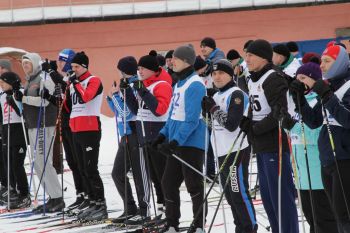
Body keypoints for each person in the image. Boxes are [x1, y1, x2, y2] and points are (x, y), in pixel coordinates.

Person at [239, 39, 299, 233]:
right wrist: (247, 121)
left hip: (275, 145)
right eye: (246, 55)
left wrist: (255, 128)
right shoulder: (253, 77)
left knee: (281, 197)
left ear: (263, 57)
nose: (246, 59)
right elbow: (256, 107)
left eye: (250, 55)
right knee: (268, 198)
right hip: (261, 146)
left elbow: (278, 114)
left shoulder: (273, 78)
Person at [290, 45, 350, 232]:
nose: (321, 66)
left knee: (344, 215)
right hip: (328, 160)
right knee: (337, 215)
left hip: (345, 159)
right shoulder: (330, 86)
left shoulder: (346, 87)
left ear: (340, 63)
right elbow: (315, 121)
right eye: (322, 61)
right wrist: (298, 98)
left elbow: (347, 119)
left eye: (327, 61)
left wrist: (326, 95)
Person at [153, 44, 207, 233]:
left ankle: (199, 224)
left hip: (191, 142)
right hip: (177, 142)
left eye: (175, 58)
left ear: (185, 61)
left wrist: (175, 141)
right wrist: (162, 135)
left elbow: (191, 120)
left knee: (193, 185)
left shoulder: (195, 84)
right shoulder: (179, 84)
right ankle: (172, 223)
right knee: (168, 182)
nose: (171, 62)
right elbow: (173, 116)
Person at [201, 59, 257, 233]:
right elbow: (214, 125)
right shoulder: (217, 95)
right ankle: (240, 226)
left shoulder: (236, 94)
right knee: (230, 196)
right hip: (222, 151)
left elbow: (232, 124)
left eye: (221, 73)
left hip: (236, 150)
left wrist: (213, 109)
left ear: (230, 74)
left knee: (238, 192)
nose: (217, 77)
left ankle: (249, 227)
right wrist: (206, 112)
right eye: (214, 74)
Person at [124, 51, 173, 224]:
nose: (140, 71)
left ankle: (169, 213)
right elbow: (137, 110)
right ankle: (161, 211)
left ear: (153, 69)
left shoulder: (162, 85)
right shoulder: (144, 85)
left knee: (163, 178)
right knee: (154, 178)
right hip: (145, 137)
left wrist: (142, 91)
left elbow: (159, 109)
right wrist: (127, 92)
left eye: (143, 68)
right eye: (138, 69)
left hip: (157, 136)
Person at [14, 52, 65, 213]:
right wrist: (18, 97)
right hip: (32, 125)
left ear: (35, 63)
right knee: (37, 162)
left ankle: (57, 197)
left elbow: (45, 101)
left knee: (44, 161)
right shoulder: (29, 81)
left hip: (44, 124)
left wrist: (24, 98)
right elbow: (25, 101)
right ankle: (51, 195)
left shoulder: (44, 78)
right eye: (23, 64)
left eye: (27, 63)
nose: (25, 66)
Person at [41, 49, 88, 212]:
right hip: (66, 124)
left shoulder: (72, 79)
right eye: (58, 60)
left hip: (77, 125)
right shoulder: (66, 78)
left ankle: (88, 194)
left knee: (80, 161)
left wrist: (52, 72)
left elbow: (63, 86)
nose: (59, 63)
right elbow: (62, 103)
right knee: (73, 162)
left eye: (62, 60)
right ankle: (80, 193)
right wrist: (49, 97)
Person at [108, 56, 151, 222]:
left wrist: (114, 97)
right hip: (125, 134)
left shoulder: (133, 85)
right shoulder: (124, 84)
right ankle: (130, 207)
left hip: (134, 132)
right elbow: (118, 112)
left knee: (140, 175)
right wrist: (113, 98)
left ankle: (144, 210)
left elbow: (128, 113)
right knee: (117, 173)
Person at [66, 51, 107, 221]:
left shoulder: (93, 80)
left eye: (76, 67)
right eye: (72, 67)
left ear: (84, 66)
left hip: (89, 129)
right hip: (75, 128)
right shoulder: (73, 84)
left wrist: (75, 84)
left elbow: (86, 98)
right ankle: (91, 201)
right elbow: (69, 107)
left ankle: (100, 203)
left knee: (91, 168)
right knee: (82, 167)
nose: (73, 70)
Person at [0, 71, 30, 209]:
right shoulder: (2, 96)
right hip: (7, 130)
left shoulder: (20, 92)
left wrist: (13, 99)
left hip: (19, 130)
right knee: (9, 163)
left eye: (3, 82)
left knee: (17, 164)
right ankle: (13, 189)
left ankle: (24, 194)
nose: (1, 85)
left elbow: (22, 112)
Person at [0, 59, 13, 200]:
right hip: (3, 123)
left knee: (9, 159)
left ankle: (11, 185)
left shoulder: (11, 83)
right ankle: (5, 184)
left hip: (10, 125)